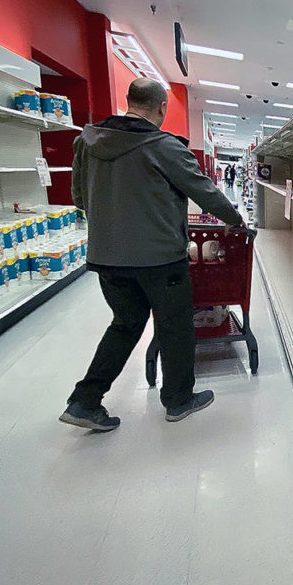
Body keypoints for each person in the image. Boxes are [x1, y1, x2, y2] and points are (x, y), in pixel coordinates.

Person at [60, 78, 246, 432]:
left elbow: (80, 199)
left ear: (129, 101)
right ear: (162, 108)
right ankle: (178, 400)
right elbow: (204, 191)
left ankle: (85, 400)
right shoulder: (163, 145)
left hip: (106, 256)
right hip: (160, 259)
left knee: (126, 323)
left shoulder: (86, 143)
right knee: (175, 328)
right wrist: (236, 220)